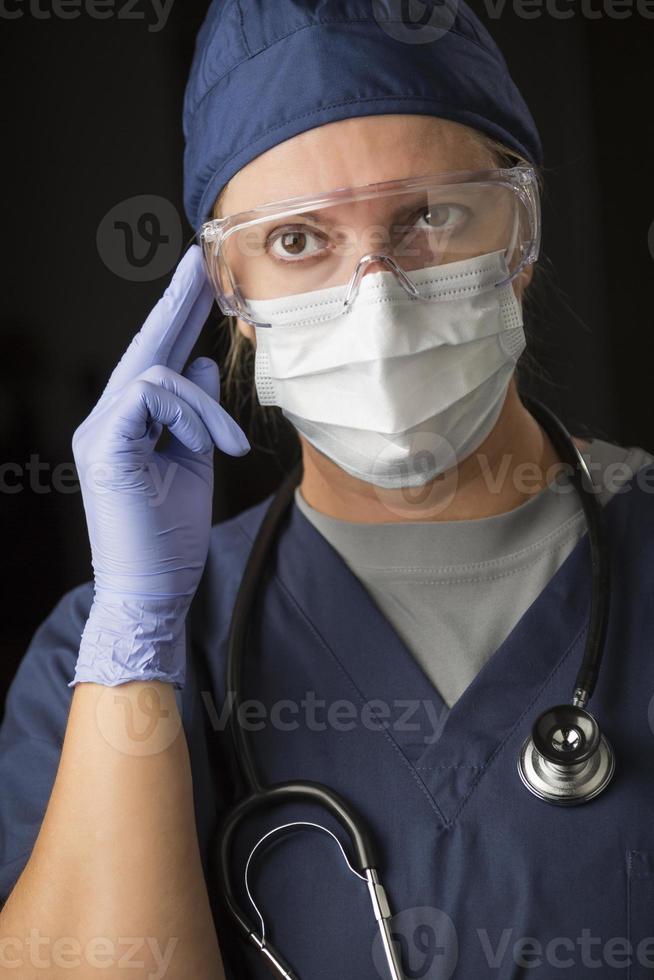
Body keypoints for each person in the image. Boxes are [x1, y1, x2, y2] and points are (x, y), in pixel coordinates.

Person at [2, 2, 654, 978]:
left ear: (520, 232)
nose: (377, 295)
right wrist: (136, 642)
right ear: (232, 296)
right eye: (299, 240)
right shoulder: (102, 660)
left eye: (429, 214)